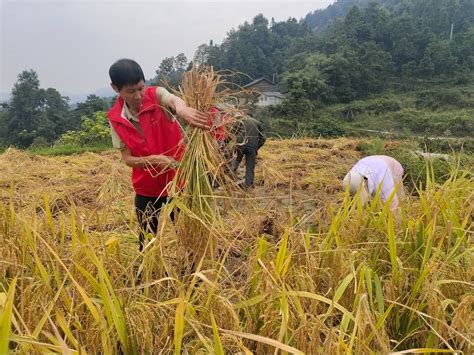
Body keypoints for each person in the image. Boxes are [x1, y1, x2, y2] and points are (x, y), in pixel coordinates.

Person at [107, 58, 209, 251]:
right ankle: (148, 274)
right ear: (115, 89)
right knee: (147, 240)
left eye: (140, 88)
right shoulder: (115, 119)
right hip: (146, 187)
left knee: (186, 234)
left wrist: (182, 109)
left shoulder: (156, 96)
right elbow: (127, 159)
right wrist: (154, 160)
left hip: (177, 182)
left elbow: (172, 99)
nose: (138, 95)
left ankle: (192, 274)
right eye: (131, 91)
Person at [230, 116, 266, 189]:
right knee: (250, 166)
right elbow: (263, 138)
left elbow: (231, 132)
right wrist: (257, 147)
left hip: (241, 144)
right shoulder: (257, 122)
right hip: (252, 146)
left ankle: (230, 178)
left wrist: (227, 142)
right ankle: (248, 186)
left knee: (237, 159)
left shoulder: (240, 121)